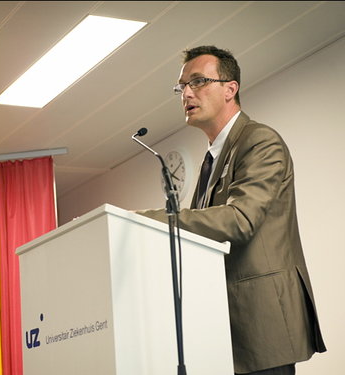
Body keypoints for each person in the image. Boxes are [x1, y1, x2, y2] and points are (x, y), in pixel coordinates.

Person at [138, 46, 326, 374]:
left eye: (197, 82)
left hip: (262, 327)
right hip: (224, 332)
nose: (187, 93)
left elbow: (240, 220)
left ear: (230, 89)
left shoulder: (260, 141)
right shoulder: (212, 158)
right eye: (181, 86)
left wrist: (153, 220)